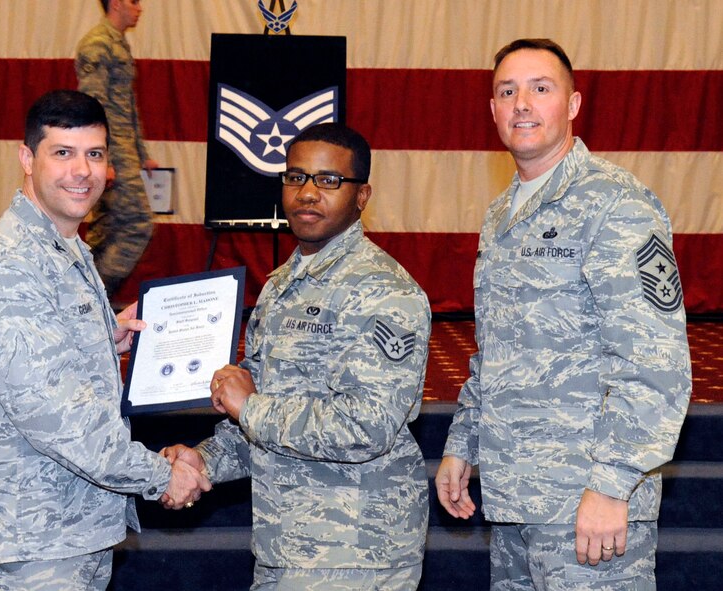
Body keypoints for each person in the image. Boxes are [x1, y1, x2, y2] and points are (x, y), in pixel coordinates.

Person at [436, 39, 692, 589]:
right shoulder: (501, 215)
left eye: (540, 88)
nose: (522, 104)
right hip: (514, 499)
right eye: (508, 92)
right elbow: (497, 350)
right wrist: (463, 442)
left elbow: (655, 361)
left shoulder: (616, 204)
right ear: (493, 109)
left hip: (586, 504)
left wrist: (612, 484)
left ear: (573, 104)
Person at [0, 89, 208, 590]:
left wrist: (103, 340)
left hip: (63, 534)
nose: (82, 171)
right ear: (27, 159)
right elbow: (56, 416)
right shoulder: (8, 265)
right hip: (17, 545)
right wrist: (159, 475)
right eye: (63, 152)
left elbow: (41, 360)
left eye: (94, 154)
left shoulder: (63, 247)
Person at [161, 123, 432, 590]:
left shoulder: (384, 291)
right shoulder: (282, 286)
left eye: (329, 180)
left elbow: (366, 426)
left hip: (355, 552)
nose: (307, 192)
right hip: (284, 545)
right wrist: (204, 461)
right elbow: (262, 417)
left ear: (362, 195)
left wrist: (250, 406)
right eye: (295, 177)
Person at [75, 0, 158, 299]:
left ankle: (83, 302)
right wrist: (101, 158)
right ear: (117, 3)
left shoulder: (118, 42)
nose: (140, 8)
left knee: (105, 231)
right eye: (134, 1)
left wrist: (142, 154)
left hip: (123, 151)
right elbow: (92, 106)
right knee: (138, 225)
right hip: (112, 153)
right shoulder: (98, 43)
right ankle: (94, 297)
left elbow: (127, 106)